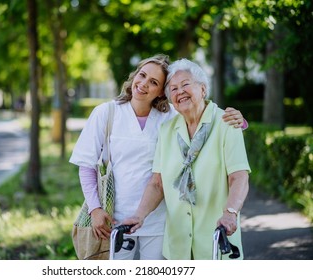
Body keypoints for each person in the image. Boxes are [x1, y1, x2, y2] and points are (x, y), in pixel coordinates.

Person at [69, 54, 247, 260]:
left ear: (161, 93)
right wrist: (95, 209)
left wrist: (240, 122)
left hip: (160, 220)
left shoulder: (170, 116)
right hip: (116, 219)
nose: (144, 84)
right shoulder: (108, 113)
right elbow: (87, 165)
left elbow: (204, 115)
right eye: (142, 75)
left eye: (153, 82)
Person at [122, 58, 251, 260]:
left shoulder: (226, 123)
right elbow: (157, 184)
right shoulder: (167, 130)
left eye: (185, 84)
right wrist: (140, 215)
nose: (179, 91)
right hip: (177, 247)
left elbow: (239, 177)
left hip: (217, 241)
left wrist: (230, 212)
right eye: (173, 89)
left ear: (203, 89)